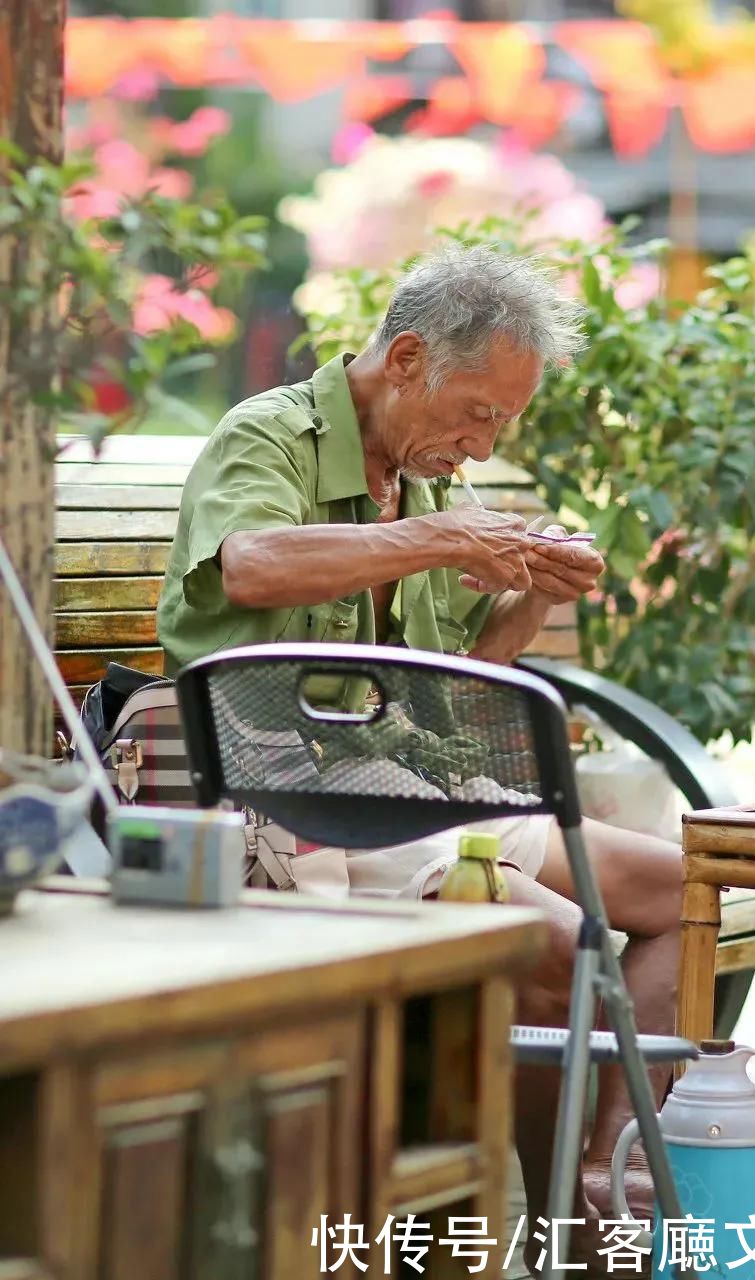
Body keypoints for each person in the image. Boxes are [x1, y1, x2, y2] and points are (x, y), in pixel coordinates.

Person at [157, 244, 682, 1262]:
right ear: (405, 358)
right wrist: (445, 542)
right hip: (287, 791)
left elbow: (449, 691)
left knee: (682, 892)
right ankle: (562, 1217)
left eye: (503, 421)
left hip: (408, 784)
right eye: (478, 411)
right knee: (576, 955)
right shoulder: (268, 436)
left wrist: (530, 592)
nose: (482, 445)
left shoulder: (426, 484)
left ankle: (597, 1177)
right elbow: (256, 564)